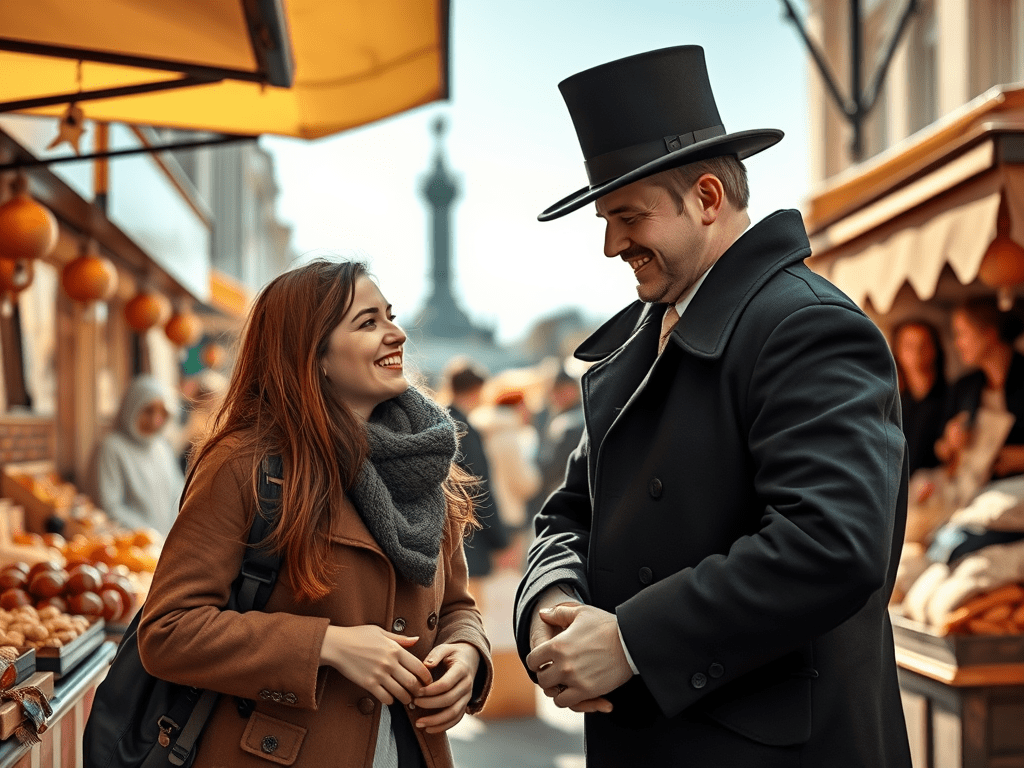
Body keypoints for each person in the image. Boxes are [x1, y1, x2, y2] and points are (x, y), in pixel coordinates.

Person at [513, 46, 911, 767]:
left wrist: (633, 641)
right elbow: (568, 514)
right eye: (604, 219)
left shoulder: (807, 325)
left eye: (627, 215)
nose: (610, 245)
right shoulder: (643, 336)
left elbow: (831, 543)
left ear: (706, 197)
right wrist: (549, 605)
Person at [137, 260, 492, 768]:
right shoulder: (247, 464)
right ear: (315, 355)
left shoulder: (424, 458)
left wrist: (467, 654)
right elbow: (168, 631)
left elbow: (457, 605)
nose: (396, 335)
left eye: (389, 317)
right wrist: (326, 645)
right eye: (368, 323)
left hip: (411, 748)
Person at [936, 296, 1024, 480]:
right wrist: (950, 443)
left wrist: (1020, 457)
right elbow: (942, 451)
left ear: (989, 334)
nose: (957, 343)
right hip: (976, 489)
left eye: (961, 334)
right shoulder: (964, 387)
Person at [90, 373, 185, 538]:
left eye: (162, 413)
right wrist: (149, 536)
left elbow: (179, 494)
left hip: (165, 546)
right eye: (148, 411)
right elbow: (110, 506)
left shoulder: (162, 447)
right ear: (131, 407)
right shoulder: (112, 447)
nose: (156, 420)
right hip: (130, 548)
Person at [442, 358, 510, 585]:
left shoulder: (437, 421)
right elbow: (478, 485)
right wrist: (500, 539)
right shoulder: (466, 430)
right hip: (470, 536)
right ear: (476, 389)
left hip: (443, 533)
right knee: (470, 611)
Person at [470, 388, 541, 568]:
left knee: (487, 579)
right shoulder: (510, 435)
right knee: (507, 579)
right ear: (518, 406)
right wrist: (536, 477)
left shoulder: (478, 430)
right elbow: (525, 483)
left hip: (482, 513)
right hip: (509, 516)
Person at [891, 319, 947, 476]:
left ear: (935, 348)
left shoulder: (953, 396)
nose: (917, 352)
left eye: (924, 344)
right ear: (897, 351)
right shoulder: (891, 404)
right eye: (909, 346)